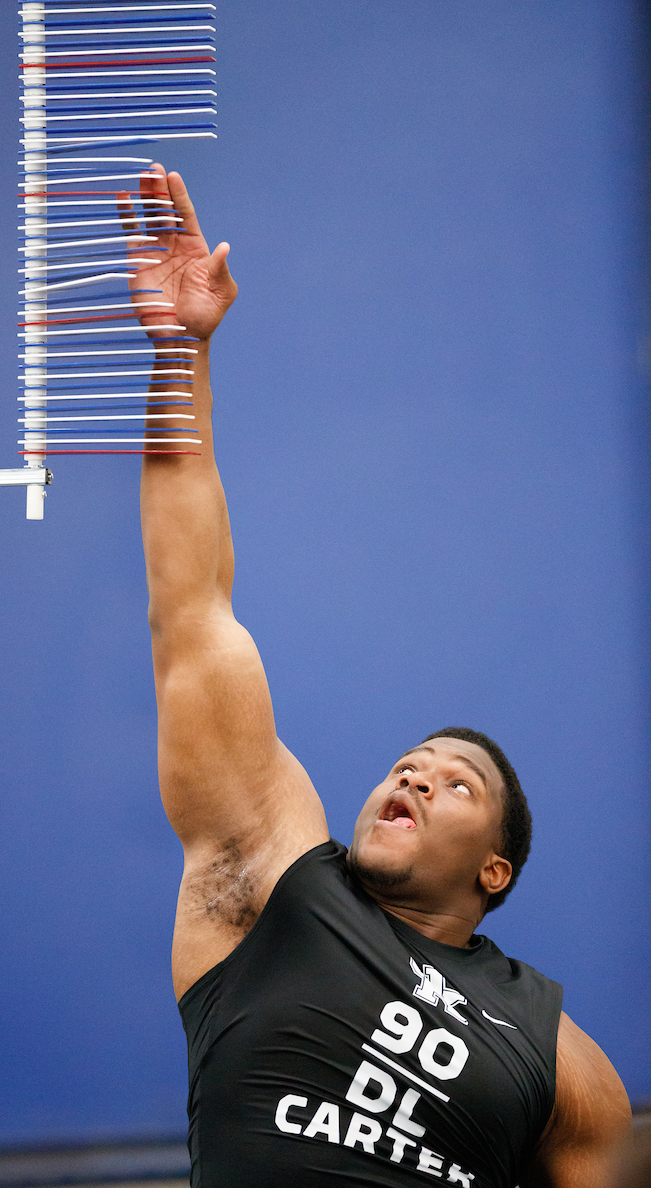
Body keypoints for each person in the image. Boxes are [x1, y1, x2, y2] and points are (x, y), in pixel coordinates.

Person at [126, 165, 632, 1188]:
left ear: (493, 871)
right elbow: (192, 611)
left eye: (455, 783)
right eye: (408, 763)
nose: (412, 775)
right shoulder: (269, 882)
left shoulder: (562, 1064)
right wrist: (181, 350)